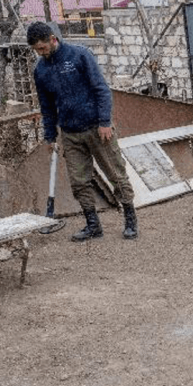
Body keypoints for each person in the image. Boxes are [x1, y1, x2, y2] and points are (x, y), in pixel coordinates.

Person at [28, 21, 138, 242]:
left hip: (97, 128)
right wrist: (49, 135)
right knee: (79, 182)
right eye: (36, 50)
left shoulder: (79, 55)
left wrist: (105, 121)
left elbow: (101, 89)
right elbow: (47, 107)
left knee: (116, 174)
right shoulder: (40, 71)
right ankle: (93, 225)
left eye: (42, 48)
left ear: (52, 39)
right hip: (69, 132)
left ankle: (130, 220)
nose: (41, 53)